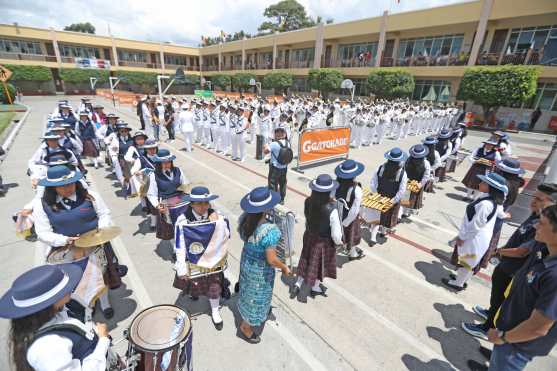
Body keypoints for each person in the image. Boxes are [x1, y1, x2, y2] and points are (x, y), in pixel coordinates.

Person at [462, 183, 557, 341]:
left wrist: (497, 252)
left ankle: (487, 328)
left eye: (539, 199)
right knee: (498, 298)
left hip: (513, 270)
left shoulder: (543, 225)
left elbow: (522, 251)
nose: (533, 201)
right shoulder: (534, 216)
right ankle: (492, 312)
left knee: (501, 298)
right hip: (509, 266)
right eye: (533, 196)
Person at [31, 165, 116, 318]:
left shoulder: (90, 195)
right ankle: (86, 307)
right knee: (75, 282)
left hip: (95, 244)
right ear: (52, 187)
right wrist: (64, 240)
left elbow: (104, 214)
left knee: (100, 275)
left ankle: (105, 303)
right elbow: (42, 232)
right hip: (66, 250)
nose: (67, 188)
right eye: (61, 186)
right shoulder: (41, 205)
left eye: (70, 183)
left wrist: (101, 230)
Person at [485, 205, 557, 371]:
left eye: (543, 223)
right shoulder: (544, 249)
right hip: (510, 334)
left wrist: (502, 337)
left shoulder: (554, 275)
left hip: (516, 346)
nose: (536, 225)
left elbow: (538, 327)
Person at [0, 264, 112, 371]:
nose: (71, 287)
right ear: (48, 303)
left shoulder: (58, 308)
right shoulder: (46, 347)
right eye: (64, 288)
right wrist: (103, 340)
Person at [237, 186, 291, 343]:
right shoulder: (270, 230)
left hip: (247, 260)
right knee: (256, 295)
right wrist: (284, 267)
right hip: (260, 270)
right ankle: (246, 327)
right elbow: (271, 259)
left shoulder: (244, 220)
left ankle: (251, 313)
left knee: (247, 289)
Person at [443, 172, 508, 291]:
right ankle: (462, 280)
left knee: (467, 260)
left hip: (474, 237)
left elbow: (475, 225)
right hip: (478, 237)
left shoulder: (485, 203)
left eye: (483, 182)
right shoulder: (490, 200)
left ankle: (458, 283)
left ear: (490, 187)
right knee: (469, 260)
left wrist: (462, 237)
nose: (480, 183)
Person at [291, 174, 342, 299]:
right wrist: (339, 242)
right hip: (322, 241)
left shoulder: (308, 201)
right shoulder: (332, 209)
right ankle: (315, 287)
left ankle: (298, 283)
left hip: (309, 235)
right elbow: (336, 234)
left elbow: (307, 217)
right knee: (319, 264)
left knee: (305, 258)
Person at [366, 148, 408, 244]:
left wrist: (377, 195)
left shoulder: (380, 168)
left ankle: (373, 238)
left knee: (377, 217)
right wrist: (393, 201)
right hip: (392, 199)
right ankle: (383, 232)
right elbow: (402, 191)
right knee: (388, 217)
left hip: (380, 197)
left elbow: (373, 183)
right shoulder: (402, 173)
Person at [146, 149, 190, 237]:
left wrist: (188, 194)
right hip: (165, 202)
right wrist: (158, 206)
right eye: (163, 162)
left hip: (180, 199)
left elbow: (185, 185)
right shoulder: (153, 175)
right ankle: (175, 245)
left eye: (168, 162)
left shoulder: (178, 170)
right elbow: (151, 194)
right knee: (171, 226)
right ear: (159, 163)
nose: (166, 164)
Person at [335, 160, 365, 260]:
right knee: (353, 234)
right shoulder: (357, 189)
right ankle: (353, 254)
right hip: (349, 217)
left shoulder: (336, 184)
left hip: (337, 213)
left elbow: (332, 198)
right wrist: (346, 222)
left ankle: (343, 245)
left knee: (340, 233)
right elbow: (355, 209)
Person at [403, 144, 432, 216]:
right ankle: (404, 212)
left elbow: (426, 176)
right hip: (409, 181)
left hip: (414, 183)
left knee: (409, 198)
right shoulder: (408, 160)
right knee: (406, 197)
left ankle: (406, 212)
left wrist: (420, 184)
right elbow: (403, 169)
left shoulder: (425, 163)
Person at [264, 126, 290, 204]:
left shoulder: (274, 144)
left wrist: (265, 146)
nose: (278, 133)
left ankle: (273, 200)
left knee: (272, 183)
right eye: (277, 132)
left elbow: (265, 152)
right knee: (282, 183)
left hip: (275, 168)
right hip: (284, 167)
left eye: (280, 132)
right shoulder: (287, 143)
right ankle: (282, 199)